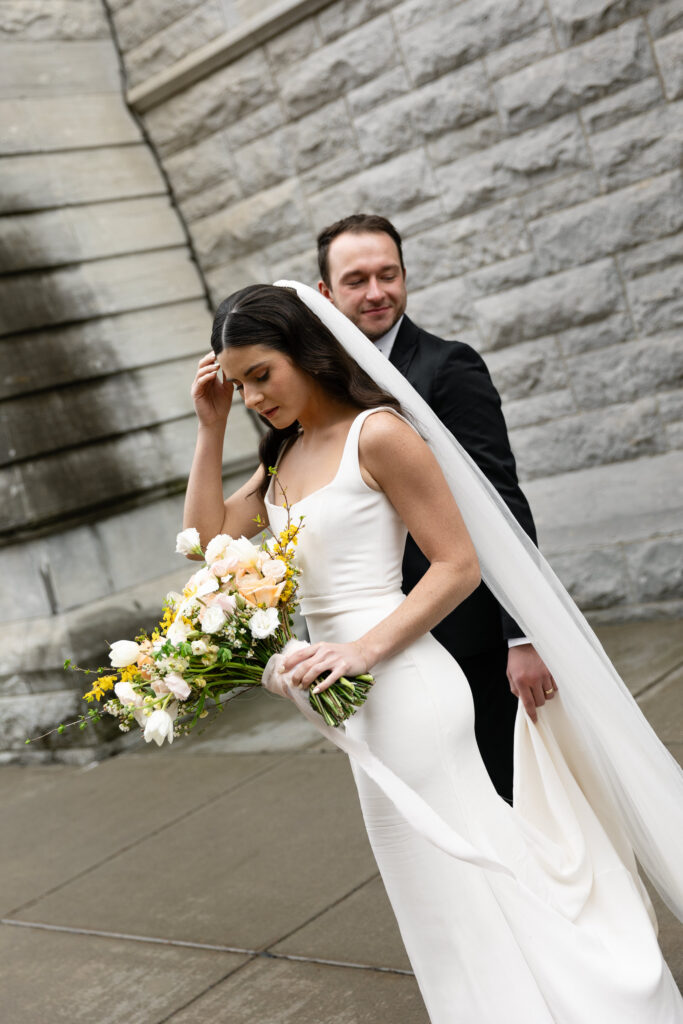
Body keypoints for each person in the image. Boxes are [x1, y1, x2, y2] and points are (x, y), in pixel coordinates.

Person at [183, 281, 683, 1023]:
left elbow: (456, 565)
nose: (253, 395)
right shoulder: (281, 453)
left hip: (408, 683)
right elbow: (206, 545)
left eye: (261, 375)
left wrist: (362, 649)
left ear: (307, 353)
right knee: (424, 883)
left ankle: (589, 999)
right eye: (238, 383)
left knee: (460, 863)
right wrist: (210, 428)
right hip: (353, 699)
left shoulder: (377, 434)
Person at [315, 214, 552, 802]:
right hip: (388, 642)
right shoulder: (322, 387)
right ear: (325, 293)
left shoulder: (449, 367)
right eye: (357, 280)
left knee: (505, 793)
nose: (376, 292)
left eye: (388, 274)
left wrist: (523, 636)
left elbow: (501, 497)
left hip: (470, 635)